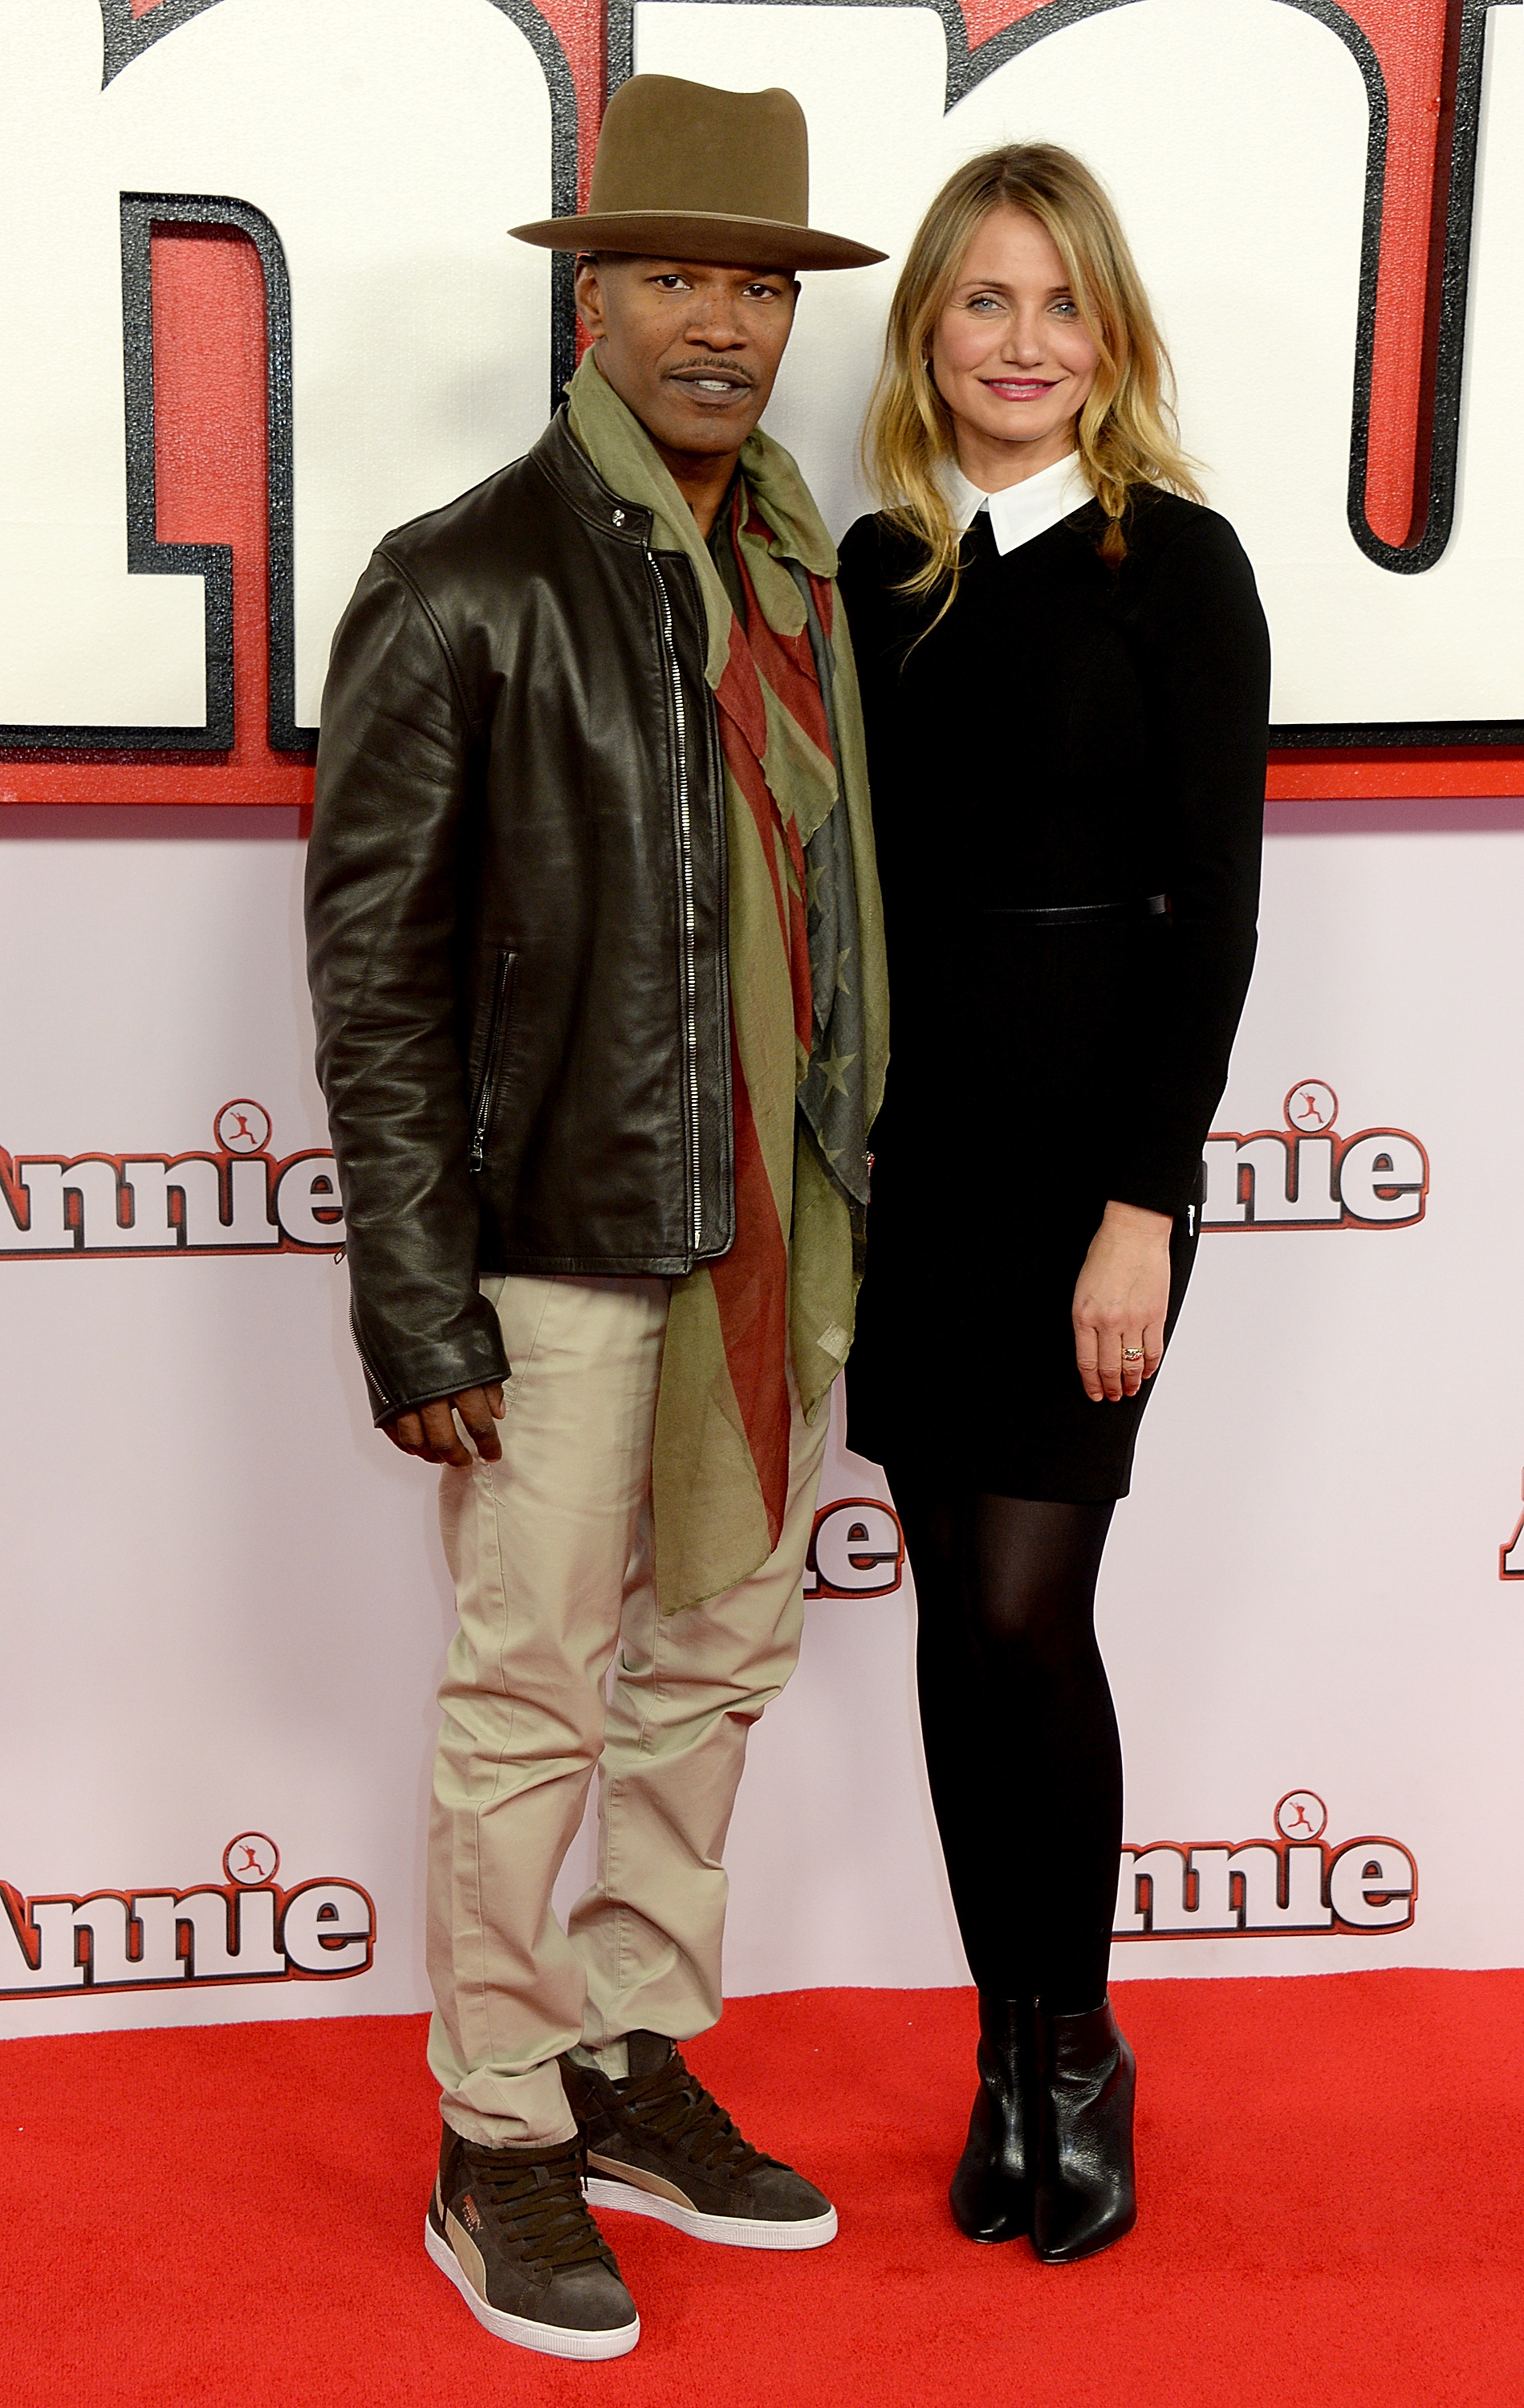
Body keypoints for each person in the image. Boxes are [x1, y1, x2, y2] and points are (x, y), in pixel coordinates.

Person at [305, 74, 887, 2361]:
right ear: (592, 300)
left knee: (723, 1660)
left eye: (754, 282)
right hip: (559, 1232)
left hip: (777, 1228)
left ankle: (630, 2051)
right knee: (532, 1689)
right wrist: (415, 1300)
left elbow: (829, 915)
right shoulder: (463, 577)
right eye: (672, 274)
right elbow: (373, 976)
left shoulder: (796, 569)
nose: (717, 322)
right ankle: (496, 2129)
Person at [837, 144, 1269, 2265]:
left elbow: (1211, 918)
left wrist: (1144, 1204)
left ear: (1108, 336)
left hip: (1081, 1174)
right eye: (980, 303)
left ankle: (1079, 2047)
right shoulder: (875, 568)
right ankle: (1000, 2059)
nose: (1018, 343)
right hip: (920, 1174)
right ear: (928, 328)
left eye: (1056, 306)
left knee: (1029, 1613)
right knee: (947, 1623)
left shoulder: (1172, 564)